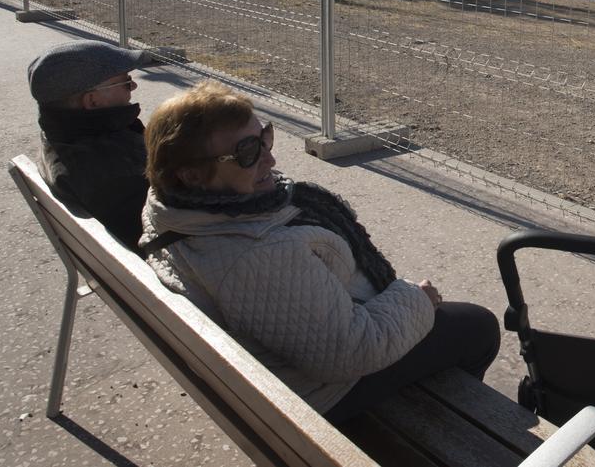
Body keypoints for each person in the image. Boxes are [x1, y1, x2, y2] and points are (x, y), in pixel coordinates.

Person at [140, 81, 499, 424]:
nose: (270, 158)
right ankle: (443, 425)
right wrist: (414, 298)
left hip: (268, 370)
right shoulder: (258, 253)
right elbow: (349, 352)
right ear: (193, 175)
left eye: (264, 138)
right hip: (318, 396)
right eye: (246, 153)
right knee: (476, 326)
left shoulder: (171, 208)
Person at [28, 40, 156, 250]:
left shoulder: (60, 136)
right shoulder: (113, 171)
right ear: (92, 101)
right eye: (125, 82)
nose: (133, 86)